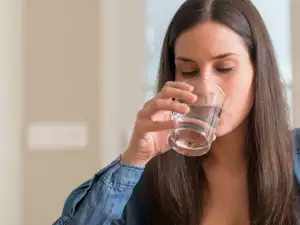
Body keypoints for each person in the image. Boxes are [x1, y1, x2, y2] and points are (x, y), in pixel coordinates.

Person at [53, 0, 300, 224]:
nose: (204, 87)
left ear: (258, 71)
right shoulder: (152, 183)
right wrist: (133, 160)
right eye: (189, 71)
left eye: (224, 68)